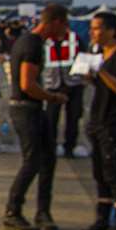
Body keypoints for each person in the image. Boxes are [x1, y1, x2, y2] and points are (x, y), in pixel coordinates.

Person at [4, 4, 70, 230]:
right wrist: (53, 97)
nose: (66, 30)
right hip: (26, 108)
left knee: (47, 159)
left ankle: (43, 212)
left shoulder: (29, 41)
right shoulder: (32, 44)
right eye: (64, 24)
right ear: (56, 22)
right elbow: (27, 84)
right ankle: (13, 211)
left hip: (31, 108)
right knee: (32, 161)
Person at [79, 12, 116, 230]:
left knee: (115, 172)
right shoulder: (100, 53)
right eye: (92, 28)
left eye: (98, 28)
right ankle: (102, 218)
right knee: (100, 172)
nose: (93, 32)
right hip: (98, 119)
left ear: (112, 30)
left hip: (114, 121)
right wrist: (90, 76)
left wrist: (100, 69)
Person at [43, 27, 86, 158]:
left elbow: (83, 57)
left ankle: (69, 147)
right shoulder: (46, 40)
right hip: (53, 84)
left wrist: (83, 79)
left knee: (73, 118)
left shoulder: (74, 39)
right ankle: (50, 147)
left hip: (74, 84)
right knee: (51, 118)